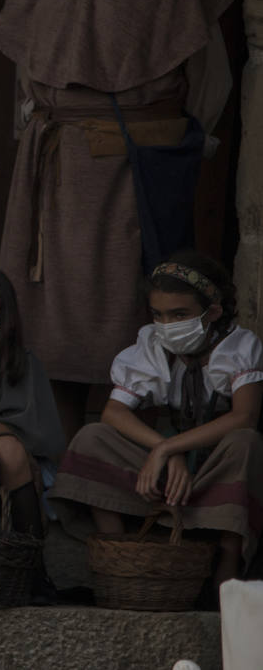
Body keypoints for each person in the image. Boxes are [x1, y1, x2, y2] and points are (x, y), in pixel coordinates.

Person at [0, 0, 234, 445]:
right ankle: (62, 454)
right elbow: (27, 76)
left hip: (132, 172)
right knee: (48, 308)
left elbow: (210, 79)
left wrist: (171, 144)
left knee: (130, 300)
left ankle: (128, 456)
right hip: (54, 172)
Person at [49, 252, 263, 594]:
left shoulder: (239, 347)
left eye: (179, 315)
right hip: (166, 471)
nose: (167, 325)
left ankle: (228, 559)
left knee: (246, 443)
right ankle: (122, 555)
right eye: (159, 315)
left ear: (214, 312)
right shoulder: (151, 345)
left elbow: (244, 417)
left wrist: (169, 447)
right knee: (93, 436)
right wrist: (164, 452)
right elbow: (113, 414)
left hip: (215, 468)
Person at [0, 270, 64, 565]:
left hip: (9, 456)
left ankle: (29, 563)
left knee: (9, 450)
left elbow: (34, 429)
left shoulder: (19, 361)